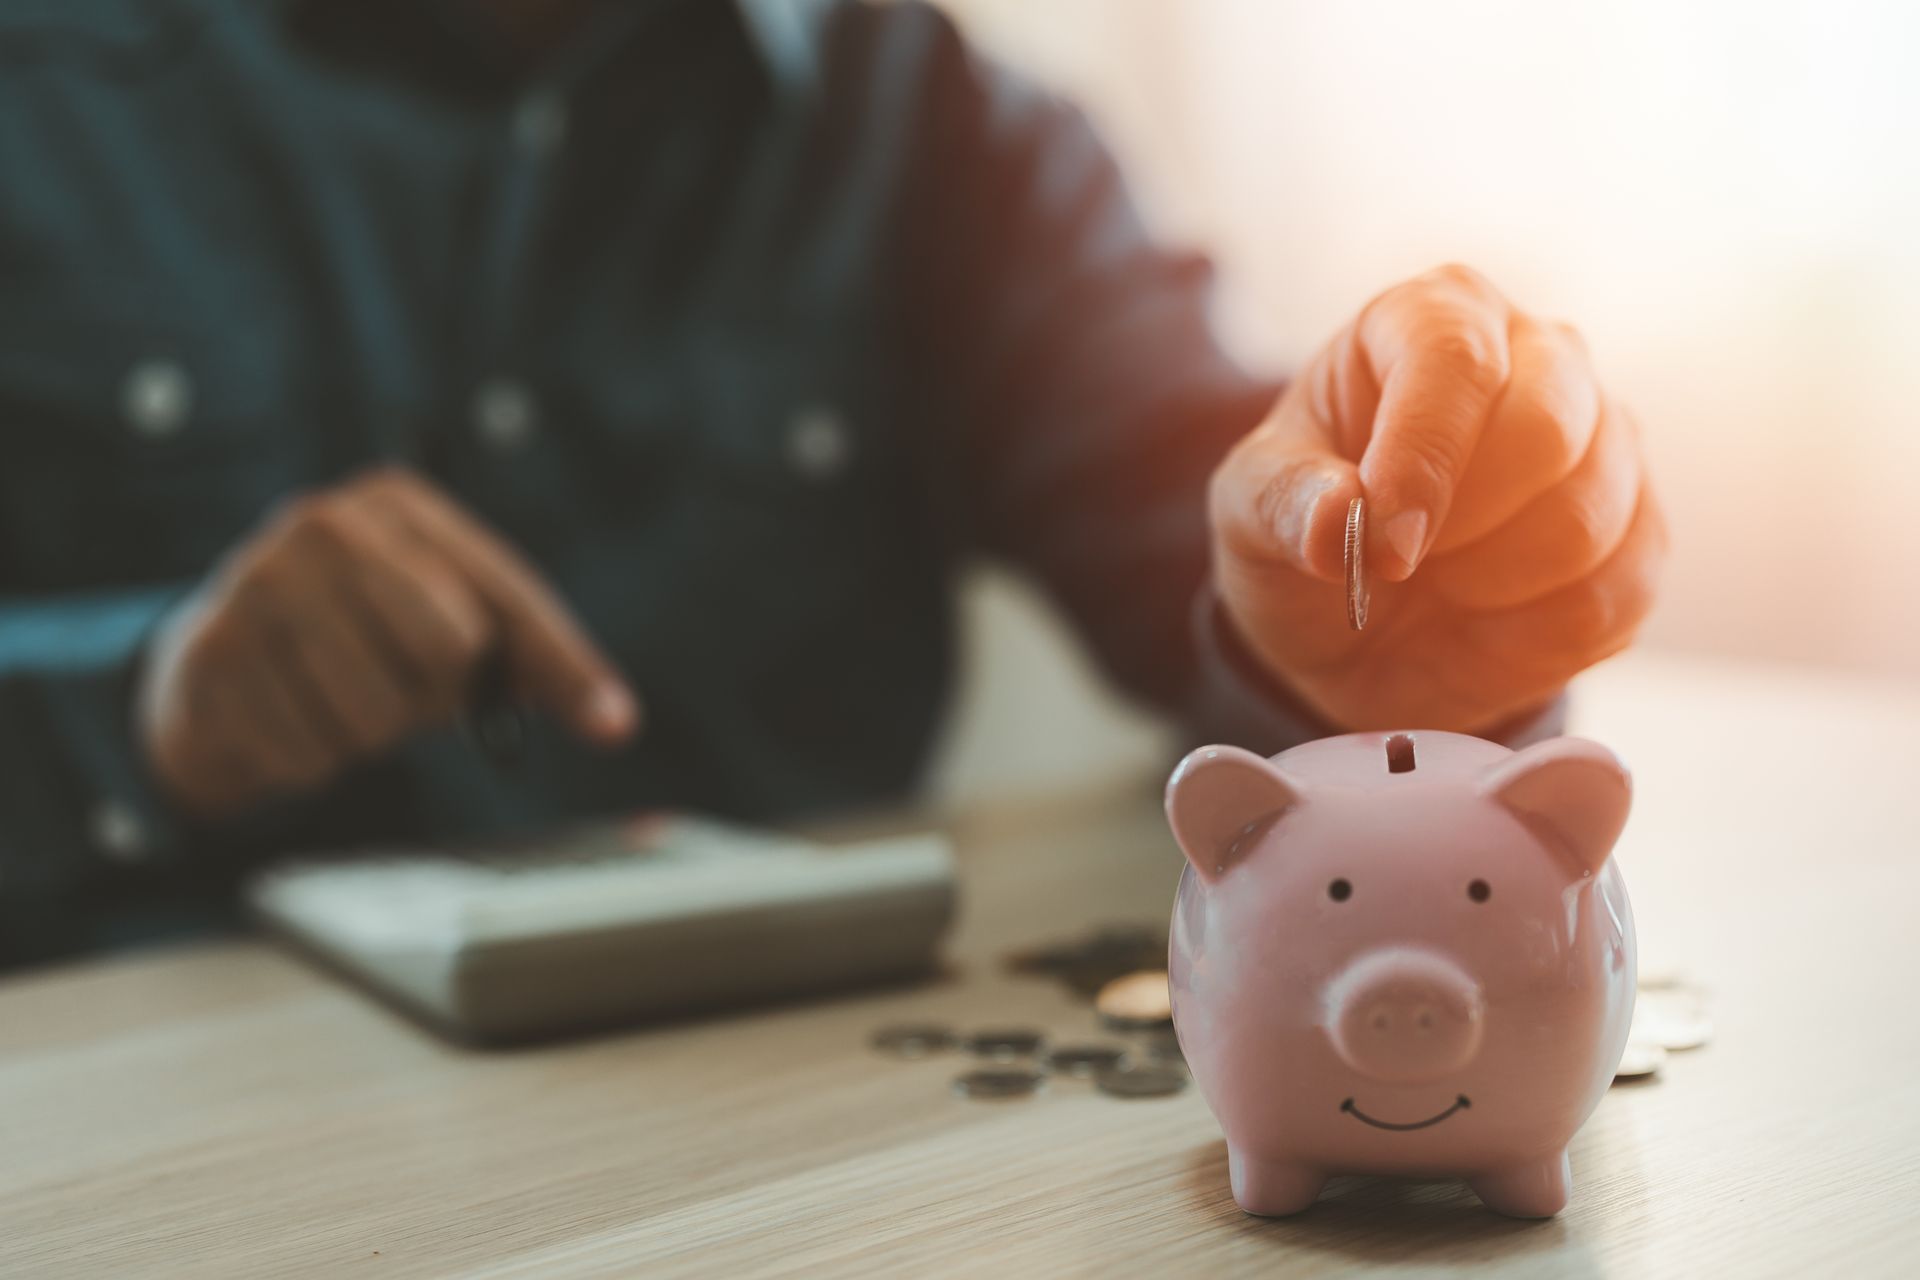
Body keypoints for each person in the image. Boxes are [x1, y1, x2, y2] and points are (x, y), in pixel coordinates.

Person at [0, 0, 1664, 967]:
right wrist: (136, 703)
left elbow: (1257, 544)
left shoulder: (926, 119)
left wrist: (1404, 608)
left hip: (791, 1170)